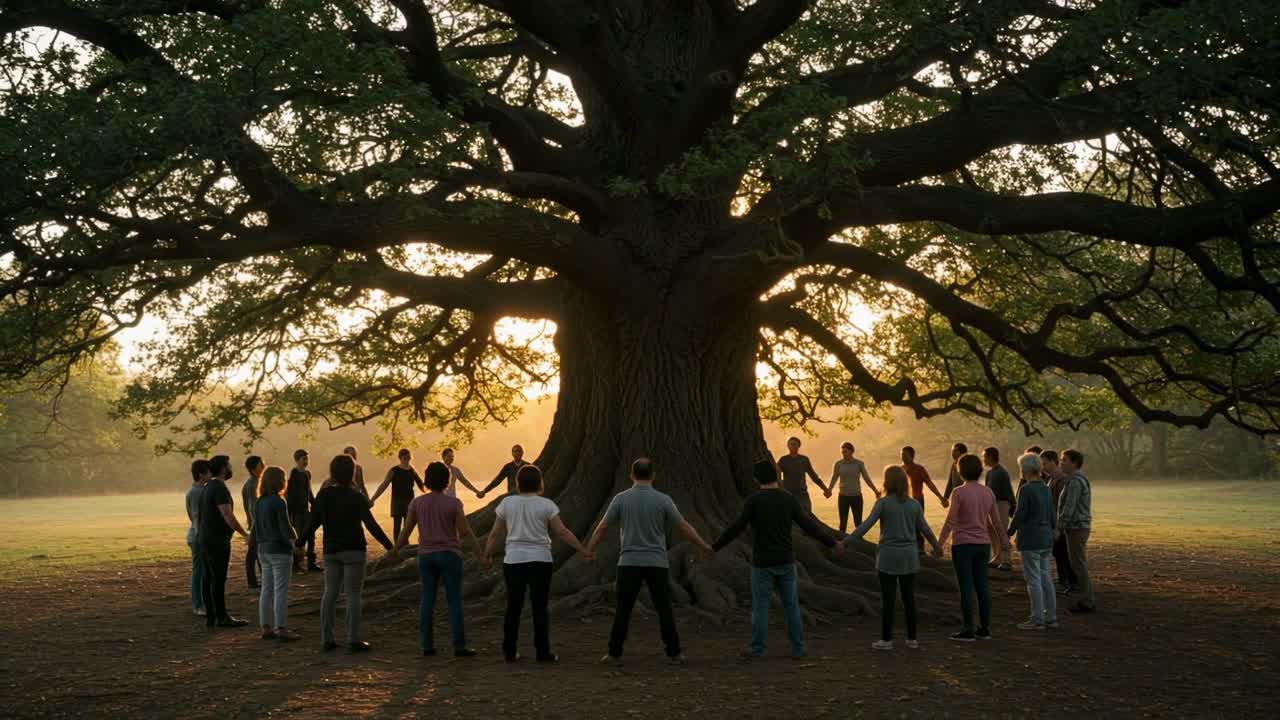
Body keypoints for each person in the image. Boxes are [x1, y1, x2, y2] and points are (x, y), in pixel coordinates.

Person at [587, 458, 715, 664]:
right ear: (653, 476)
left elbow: (602, 527)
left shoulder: (620, 499)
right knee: (664, 608)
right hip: (656, 562)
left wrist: (590, 549)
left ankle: (614, 652)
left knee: (623, 609)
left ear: (631, 475)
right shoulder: (663, 500)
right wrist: (703, 545)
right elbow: (683, 526)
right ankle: (674, 652)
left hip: (628, 562)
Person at [712, 459, 843, 659]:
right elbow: (809, 526)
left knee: (760, 607)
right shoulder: (788, 499)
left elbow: (736, 528)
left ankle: (757, 648)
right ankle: (798, 647)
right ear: (776, 476)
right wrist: (832, 543)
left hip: (762, 562)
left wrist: (714, 547)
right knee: (791, 606)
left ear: (756, 479)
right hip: (785, 560)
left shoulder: (754, 501)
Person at [483, 464, 593, 663]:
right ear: (539, 482)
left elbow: (496, 533)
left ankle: (509, 651)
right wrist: (582, 549)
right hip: (540, 560)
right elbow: (562, 532)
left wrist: (487, 554)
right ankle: (542, 652)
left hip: (514, 560)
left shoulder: (507, 503)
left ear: (518, 483)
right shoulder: (546, 505)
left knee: (513, 606)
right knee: (539, 607)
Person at [296, 454, 395, 652]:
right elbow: (371, 525)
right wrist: (390, 547)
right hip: (354, 551)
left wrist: (299, 543)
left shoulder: (324, 496)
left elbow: (312, 524)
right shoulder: (356, 496)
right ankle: (353, 638)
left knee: (330, 593)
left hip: (331, 551)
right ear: (352, 473)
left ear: (332, 473)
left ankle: (327, 638)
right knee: (353, 595)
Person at [846, 465, 941, 650]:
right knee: (909, 598)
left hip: (888, 556)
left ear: (886, 482)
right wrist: (936, 546)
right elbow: (925, 529)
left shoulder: (883, 503)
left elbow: (866, 525)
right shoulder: (914, 504)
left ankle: (886, 639)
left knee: (888, 599)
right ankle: (912, 638)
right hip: (909, 556)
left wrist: (846, 541)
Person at [394, 462, 482, 658]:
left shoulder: (417, 503)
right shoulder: (453, 503)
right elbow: (466, 532)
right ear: (446, 481)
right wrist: (480, 554)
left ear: (427, 479)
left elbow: (406, 529)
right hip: (450, 554)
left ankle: (427, 645)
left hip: (426, 556)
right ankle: (459, 646)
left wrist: (395, 550)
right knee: (454, 601)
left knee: (427, 600)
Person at [938, 453, 1008, 642]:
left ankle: (968, 629)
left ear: (960, 471)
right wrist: (1004, 541)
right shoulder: (988, 492)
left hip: (962, 545)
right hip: (983, 545)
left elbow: (951, 520)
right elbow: (996, 522)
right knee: (982, 586)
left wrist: (939, 542)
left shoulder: (959, 492)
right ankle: (985, 628)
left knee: (966, 587)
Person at [198, 455, 250, 628]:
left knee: (208, 578)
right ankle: (222, 617)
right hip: (217, 540)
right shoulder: (219, 488)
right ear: (222, 468)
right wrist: (244, 533)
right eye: (229, 465)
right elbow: (227, 514)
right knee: (218, 578)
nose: (230, 469)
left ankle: (211, 617)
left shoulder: (207, 487)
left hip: (204, 538)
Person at [1007, 453, 1057, 631]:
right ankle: (1051, 616)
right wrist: (1053, 530)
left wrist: (1009, 532)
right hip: (1045, 538)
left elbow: (1020, 514)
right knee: (1046, 578)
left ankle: (1037, 619)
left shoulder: (1026, 489)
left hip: (1030, 538)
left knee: (1033, 579)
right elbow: (1052, 514)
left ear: (1025, 469)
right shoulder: (1045, 487)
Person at [255, 466, 300, 641]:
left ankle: (266, 626)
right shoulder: (278, 501)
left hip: (263, 549)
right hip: (279, 551)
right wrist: (295, 542)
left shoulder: (259, 502)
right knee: (280, 590)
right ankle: (281, 627)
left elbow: (256, 528)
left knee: (266, 590)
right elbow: (285, 528)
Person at [1057, 449, 1095, 613]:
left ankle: (1087, 600)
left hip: (1077, 527)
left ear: (1074, 463)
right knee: (1077, 563)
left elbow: (1069, 507)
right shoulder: (1074, 479)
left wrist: (1059, 527)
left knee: (1078, 564)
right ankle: (1085, 598)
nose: (1061, 463)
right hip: (1077, 526)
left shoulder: (1075, 481)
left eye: (1064, 460)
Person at [1040, 449, 1078, 595]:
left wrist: (1058, 525)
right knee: (1058, 552)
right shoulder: (1051, 478)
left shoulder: (1061, 479)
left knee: (1063, 553)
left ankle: (1069, 582)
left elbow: (1062, 503)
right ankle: (1064, 580)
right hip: (1053, 522)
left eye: (1045, 463)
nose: (1043, 467)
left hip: (1059, 523)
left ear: (1052, 461)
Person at [824, 442, 879, 536]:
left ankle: (860, 541)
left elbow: (866, 478)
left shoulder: (859, 464)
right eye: (842, 452)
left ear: (851, 451)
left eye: (846, 452)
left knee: (858, 522)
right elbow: (834, 477)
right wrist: (829, 489)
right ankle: (841, 542)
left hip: (856, 496)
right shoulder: (838, 464)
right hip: (843, 497)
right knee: (843, 522)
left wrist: (875, 491)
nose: (844, 454)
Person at [369, 448, 425, 539]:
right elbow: (384, 485)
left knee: (407, 527)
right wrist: (373, 498)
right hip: (397, 502)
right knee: (397, 527)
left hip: (409, 502)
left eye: (408, 458)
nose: (407, 460)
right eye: (405, 458)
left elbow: (422, 486)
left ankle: (404, 546)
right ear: (400, 458)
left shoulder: (412, 470)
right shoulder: (394, 471)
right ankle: (397, 549)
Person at [901, 446, 947, 551]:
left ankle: (920, 549)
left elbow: (930, 484)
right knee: (906, 525)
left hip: (917, 501)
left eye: (905, 454)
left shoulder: (919, 469)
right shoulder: (900, 470)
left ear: (912, 456)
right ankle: (909, 548)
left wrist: (941, 498)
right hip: (903, 502)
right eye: (901, 454)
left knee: (918, 526)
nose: (902, 456)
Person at [286, 449, 320, 572]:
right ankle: (296, 564)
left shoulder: (307, 474)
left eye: (307, 459)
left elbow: (309, 492)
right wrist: (290, 515)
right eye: (303, 459)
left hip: (306, 511)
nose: (306, 461)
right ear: (297, 460)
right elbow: (290, 497)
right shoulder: (294, 474)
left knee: (311, 537)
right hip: (297, 513)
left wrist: (315, 505)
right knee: (299, 539)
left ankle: (311, 563)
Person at [983, 447, 1016, 571]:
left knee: (1002, 531)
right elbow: (987, 490)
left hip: (1002, 503)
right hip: (992, 505)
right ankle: (997, 558)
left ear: (991, 456)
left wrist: (1013, 506)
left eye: (985, 456)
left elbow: (1009, 491)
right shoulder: (990, 473)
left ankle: (1007, 560)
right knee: (992, 532)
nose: (983, 459)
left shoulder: (1002, 472)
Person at [185, 459, 211, 617]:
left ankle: (203, 603)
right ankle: (198, 605)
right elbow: (195, 517)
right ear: (201, 474)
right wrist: (201, 535)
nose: (211, 473)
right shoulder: (196, 492)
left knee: (202, 571)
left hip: (198, 535)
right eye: (208, 471)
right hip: (198, 536)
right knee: (199, 572)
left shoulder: (200, 489)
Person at [777, 436, 826, 515]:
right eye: (790, 444)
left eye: (794, 444)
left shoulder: (804, 459)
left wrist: (824, 489)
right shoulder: (783, 459)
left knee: (807, 514)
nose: (792, 446)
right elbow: (776, 473)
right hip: (788, 493)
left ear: (799, 446)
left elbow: (813, 476)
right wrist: (780, 484)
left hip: (802, 493)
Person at [242, 455, 265, 589]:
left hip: (256, 523)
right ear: (253, 469)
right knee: (253, 552)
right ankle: (252, 581)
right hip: (257, 524)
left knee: (256, 552)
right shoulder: (252, 484)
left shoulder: (257, 481)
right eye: (260, 464)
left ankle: (260, 578)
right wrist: (256, 525)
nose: (263, 466)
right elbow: (252, 507)